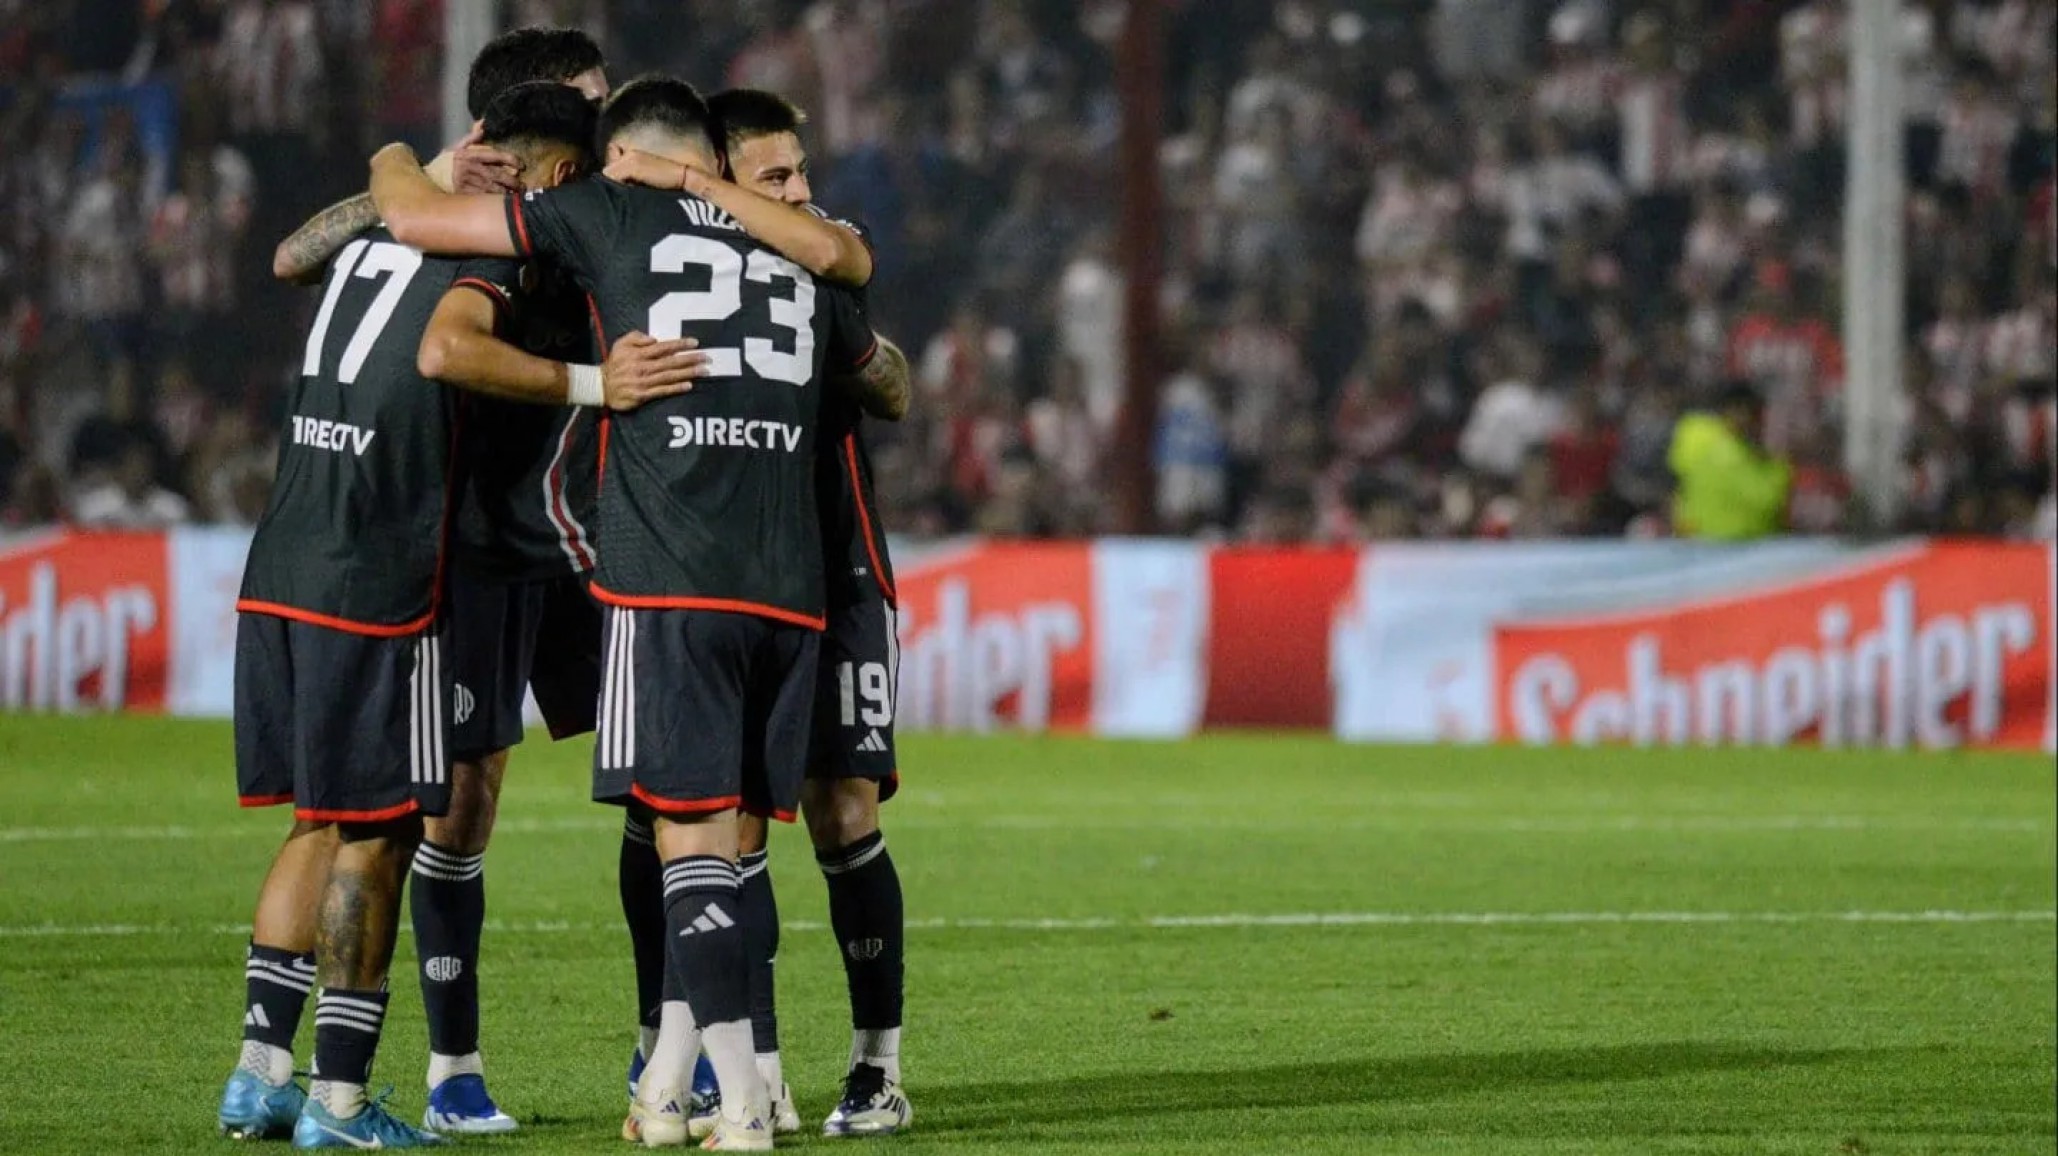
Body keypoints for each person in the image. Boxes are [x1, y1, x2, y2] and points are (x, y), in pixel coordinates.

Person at [369, 76, 904, 1151]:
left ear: (625, 162)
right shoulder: (808, 256)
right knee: (734, 839)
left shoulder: (609, 217)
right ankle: (675, 1080)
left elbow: (413, 223)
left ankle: (742, 1097)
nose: (798, 190)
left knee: (690, 838)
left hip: (669, 578)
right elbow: (868, 327)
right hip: (790, 588)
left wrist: (396, 152)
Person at [261, 27, 666, 1137]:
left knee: (661, 780)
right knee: (452, 801)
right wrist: (414, 165)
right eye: (583, 105)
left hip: (592, 527)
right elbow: (303, 253)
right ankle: (451, 1069)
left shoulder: (608, 200)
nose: (603, 126)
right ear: (514, 129)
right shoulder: (475, 217)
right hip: (478, 540)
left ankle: (667, 1043)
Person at [607, 87, 915, 1140]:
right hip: (725, 571)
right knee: (716, 827)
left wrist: (868, 357)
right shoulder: (671, 260)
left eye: (800, 170)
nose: (799, 189)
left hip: (838, 567)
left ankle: (876, 1065)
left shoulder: (821, 246)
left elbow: (892, 384)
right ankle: (752, 1071)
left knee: (844, 814)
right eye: (774, 174)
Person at [1668, 380, 1792, 540]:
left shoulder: (1695, 435)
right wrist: (1778, 464)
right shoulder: (1745, 455)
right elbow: (1768, 501)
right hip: (1740, 544)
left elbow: (1677, 484)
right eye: (1754, 415)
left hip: (1700, 542)